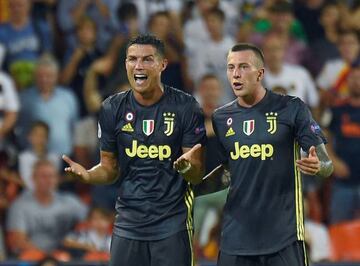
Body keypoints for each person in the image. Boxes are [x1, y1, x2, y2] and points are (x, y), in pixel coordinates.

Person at [62, 34, 206, 266]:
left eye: (147, 59)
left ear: (162, 65)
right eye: (132, 59)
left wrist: (188, 168)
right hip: (128, 224)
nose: (138, 65)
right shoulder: (111, 108)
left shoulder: (186, 107)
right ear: (126, 64)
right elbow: (109, 168)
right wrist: (89, 174)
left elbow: (197, 174)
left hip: (172, 225)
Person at [208, 43, 333, 266]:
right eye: (230, 67)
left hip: (283, 236)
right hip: (235, 237)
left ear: (260, 73)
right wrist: (190, 176)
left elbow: (326, 163)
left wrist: (319, 165)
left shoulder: (291, 108)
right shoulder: (220, 117)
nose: (235, 73)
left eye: (244, 66)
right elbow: (225, 174)